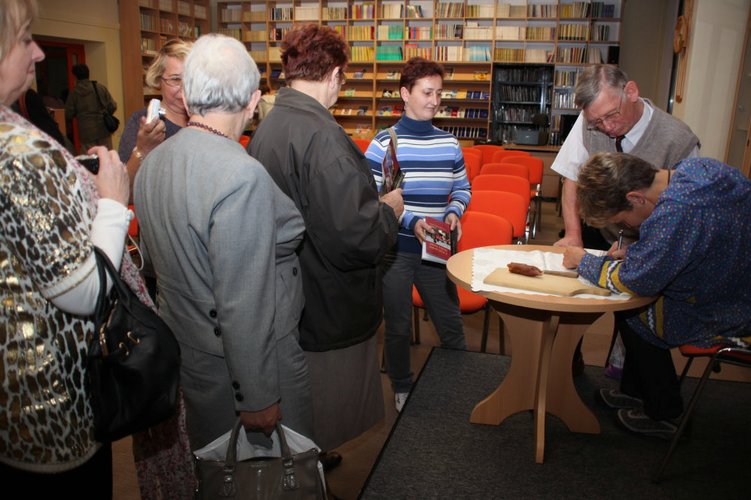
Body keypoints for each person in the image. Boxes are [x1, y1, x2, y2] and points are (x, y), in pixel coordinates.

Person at [134, 33, 314, 452]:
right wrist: (257, 395)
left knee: (219, 469)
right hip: (252, 367)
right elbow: (242, 298)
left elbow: (157, 264)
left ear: (188, 96)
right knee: (274, 474)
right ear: (253, 102)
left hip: (193, 354)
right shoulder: (241, 174)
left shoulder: (152, 162)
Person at [0, 0, 139, 495]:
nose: (38, 53)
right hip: (48, 400)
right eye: (24, 39)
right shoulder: (21, 150)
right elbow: (85, 291)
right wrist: (113, 203)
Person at [249, 24, 403, 470]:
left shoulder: (268, 127)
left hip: (292, 291)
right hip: (326, 298)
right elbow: (357, 237)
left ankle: (303, 463)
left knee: (301, 408)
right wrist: (388, 211)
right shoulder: (323, 136)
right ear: (335, 74)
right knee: (320, 410)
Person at [562, 153, 751, 439]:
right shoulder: (696, 168)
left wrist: (583, 261)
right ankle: (636, 392)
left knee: (634, 309)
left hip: (729, 308)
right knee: (634, 306)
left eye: (623, 220)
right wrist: (641, 251)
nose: (628, 227)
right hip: (733, 281)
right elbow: (695, 237)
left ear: (636, 198)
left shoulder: (676, 212)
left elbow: (636, 281)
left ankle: (664, 411)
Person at [550, 64, 700, 375]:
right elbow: (571, 177)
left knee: (636, 314)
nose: (606, 127)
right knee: (568, 296)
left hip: (652, 236)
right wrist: (574, 234)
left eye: (611, 116)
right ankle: (566, 365)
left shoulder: (680, 139)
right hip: (599, 225)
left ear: (631, 92)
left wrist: (640, 249)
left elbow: (685, 215)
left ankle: (637, 388)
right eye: (597, 122)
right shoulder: (591, 119)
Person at [365, 57, 471, 412]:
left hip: (437, 249)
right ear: (405, 93)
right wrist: (411, 221)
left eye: (439, 93)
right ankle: (402, 386)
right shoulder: (384, 143)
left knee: (450, 322)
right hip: (397, 250)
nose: (434, 100)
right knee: (397, 327)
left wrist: (455, 211)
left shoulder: (449, 143)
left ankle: (461, 382)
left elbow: (462, 188)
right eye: (427, 92)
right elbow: (375, 197)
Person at [118, 38, 191, 195]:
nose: (185, 88)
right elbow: (125, 192)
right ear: (158, 80)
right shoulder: (142, 123)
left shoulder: (205, 119)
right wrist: (142, 149)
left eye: (191, 79)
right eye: (175, 79)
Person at [65, 62, 117, 151]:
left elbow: (68, 114)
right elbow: (113, 106)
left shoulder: (74, 94)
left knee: (91, 157)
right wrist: (105, 114)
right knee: (106, 155)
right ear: (88, 74)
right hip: (103, 130)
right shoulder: (100, 88)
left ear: (75, 77)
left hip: (86, 132)